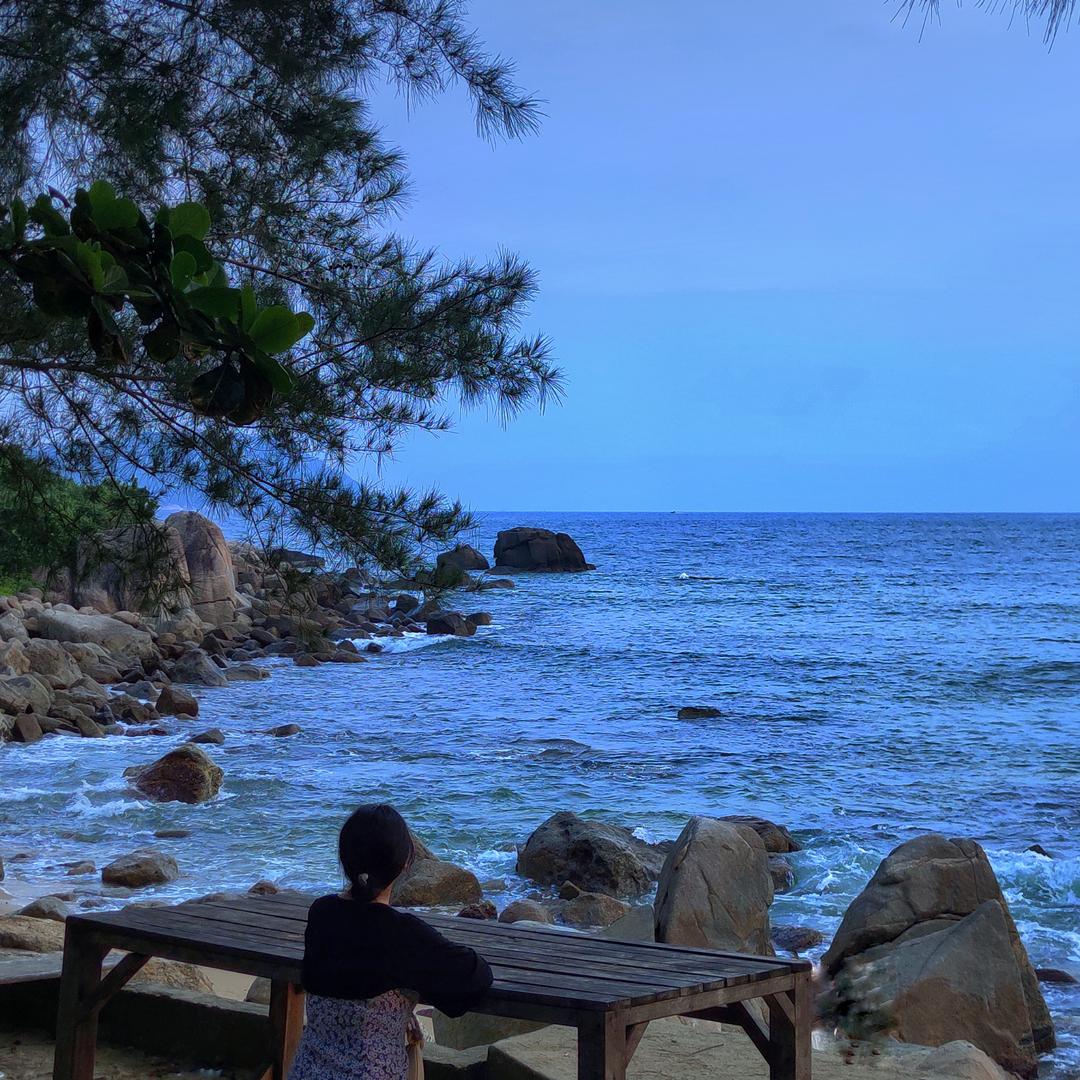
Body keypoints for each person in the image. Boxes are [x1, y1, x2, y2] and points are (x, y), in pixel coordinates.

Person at [288, 804, 493, 1080]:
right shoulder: (402, 933)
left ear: (344, 858)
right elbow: (476, 975)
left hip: (305, 1072)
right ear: (405, 863)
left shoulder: (321, 912)